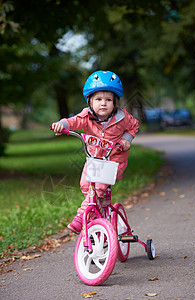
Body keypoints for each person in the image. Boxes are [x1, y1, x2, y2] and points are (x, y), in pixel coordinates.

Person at [51, 70, 139, 234]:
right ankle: (96, 210)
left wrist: (127, 139)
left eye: (108, 100)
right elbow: (73, 121)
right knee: (86, 185)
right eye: (98, 99)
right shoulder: (86, 116)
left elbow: (134, 126)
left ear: (115, 102)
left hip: (114, 160)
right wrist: (61, 124)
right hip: (94, 159)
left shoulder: (122, 117)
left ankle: (82, 216)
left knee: (98, 187)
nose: (103, 103)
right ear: (90, 101)